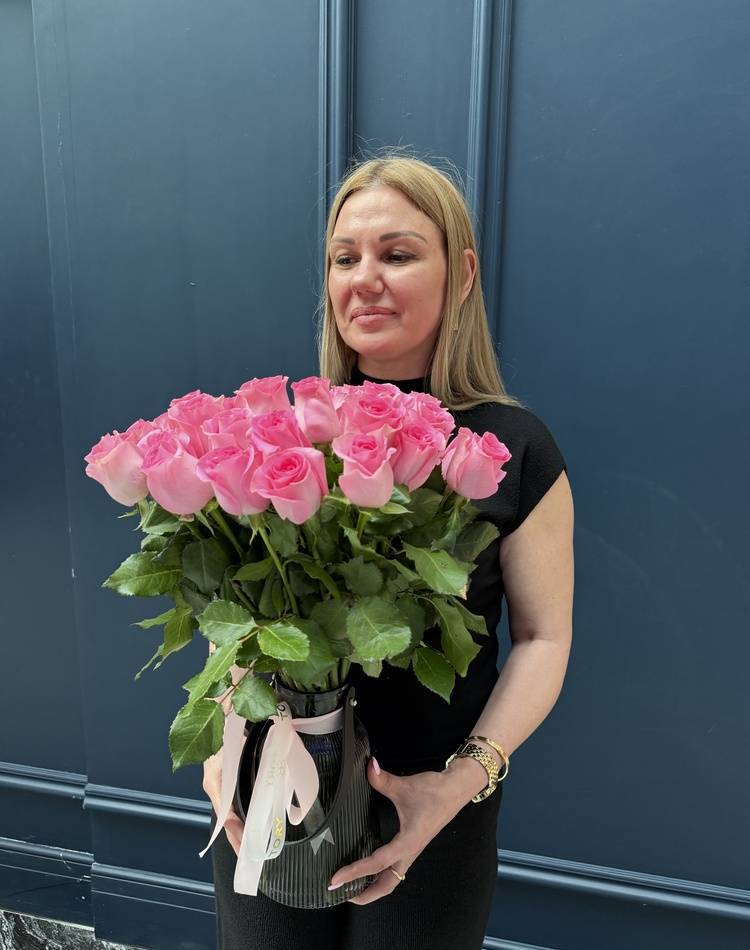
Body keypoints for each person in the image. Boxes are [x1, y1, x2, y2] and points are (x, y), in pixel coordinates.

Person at [203, 153, 575, 949]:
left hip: (432, 806)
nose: (364, 277)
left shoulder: (513, 446)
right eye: (346, 258)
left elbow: (545, 639)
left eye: (397, 254)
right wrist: (228, 737)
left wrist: (459, 785)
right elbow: (246, 615)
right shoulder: (284, 439)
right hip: (276, 788)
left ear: (461, 273)